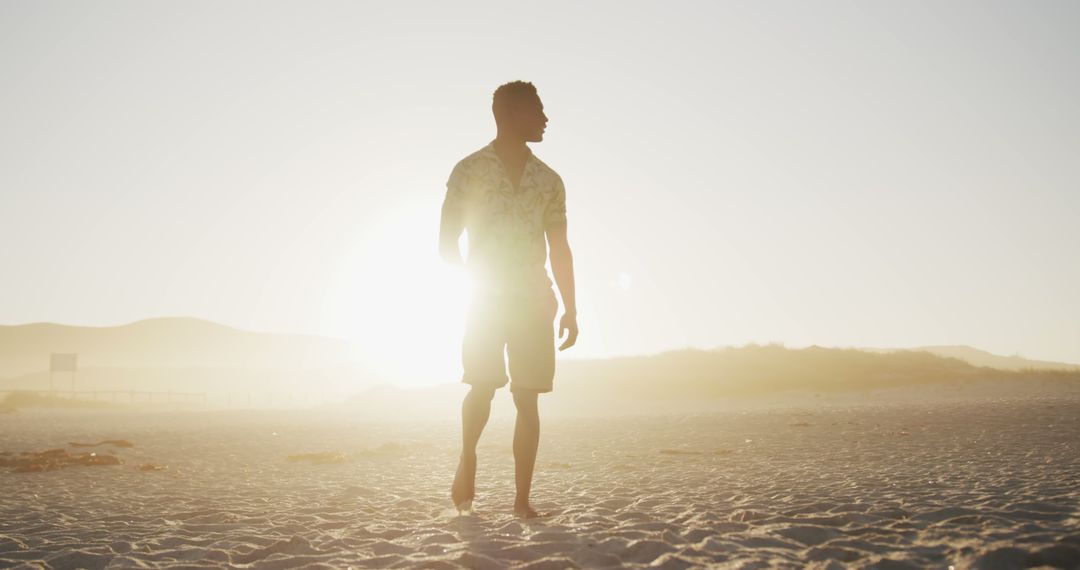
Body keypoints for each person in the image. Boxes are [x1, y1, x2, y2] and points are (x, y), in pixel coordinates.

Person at [439, 80, 578, 518]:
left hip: (534, 301)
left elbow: (560, 247)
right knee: (481, 387)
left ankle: (521, 500)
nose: (546, 119)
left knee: (527, 397)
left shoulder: (549, 180)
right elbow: (446, 241)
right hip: (484, 299)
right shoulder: (468, 170)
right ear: (510, 114)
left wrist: (572, 307)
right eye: (537, 110)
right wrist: (471, 282)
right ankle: (468, 458)